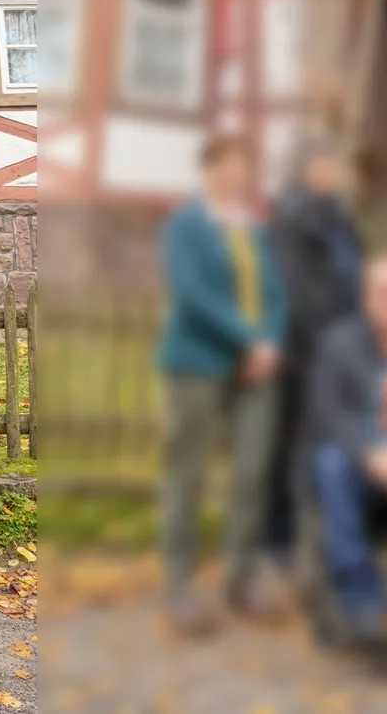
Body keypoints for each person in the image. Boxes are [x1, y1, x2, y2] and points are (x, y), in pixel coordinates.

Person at [157, 133, 287, 636]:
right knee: (188, 474)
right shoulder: (186, 225)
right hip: (199, 363)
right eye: (225, 165)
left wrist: (270, 341)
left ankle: (241, 577)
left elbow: (276, 292)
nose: (235, 175)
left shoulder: (255, 228)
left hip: (258, 367)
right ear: (208, 170)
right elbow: (193, 294)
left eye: (242, 166)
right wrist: (249, 339)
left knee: (251, 471)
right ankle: (181, 586)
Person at [268, 137, 362, 565]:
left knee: (333, 444)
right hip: (305, 352)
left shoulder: (336, 216)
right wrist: (326, 346)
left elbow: (354, 278)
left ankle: (330, 538)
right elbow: (296, 290)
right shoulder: (293, 215)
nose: (335, 173)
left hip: (340, 351)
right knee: (290, 446)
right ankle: (278, 542)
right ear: (308, 168)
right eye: (327, 164)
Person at [307, 254, 387, 652]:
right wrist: (367, 452)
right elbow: (328, 412)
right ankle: (362, 603)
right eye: (380, 291)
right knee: (331, 463)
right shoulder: (338, 343)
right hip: (363, 467)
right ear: (365, 296)